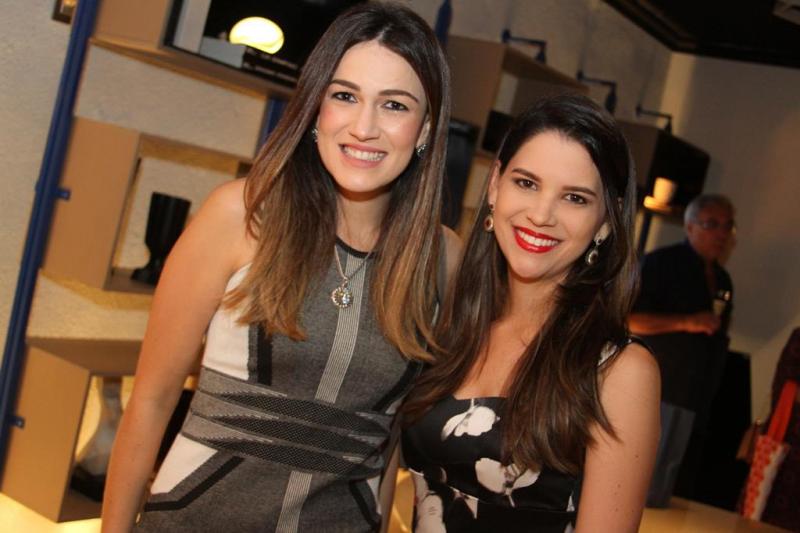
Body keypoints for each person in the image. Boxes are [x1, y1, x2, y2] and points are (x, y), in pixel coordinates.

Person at [101, 3, 460, 532]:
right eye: (344, 96)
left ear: (425, 128)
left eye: (394, 105)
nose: (364, 127)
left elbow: (386, 444)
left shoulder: (442, 259)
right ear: (316, 108)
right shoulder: (240, 216)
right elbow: (151, 402)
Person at [402, 94, 661, 532]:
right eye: (526, 183)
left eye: (575, 198)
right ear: (495, 185)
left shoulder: (619, 371)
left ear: (606, 219)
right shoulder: (448, 327)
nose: (541, 215)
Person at [629, 194, 735, 498]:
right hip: (658, 391)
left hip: (694, 398)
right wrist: (687, 322)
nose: (721, 234)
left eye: (727, 226)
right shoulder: (661, 263)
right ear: (690, 227)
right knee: (639, 485)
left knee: (668, 492)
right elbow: (629, 319)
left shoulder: (723, 279)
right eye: (712, 224)